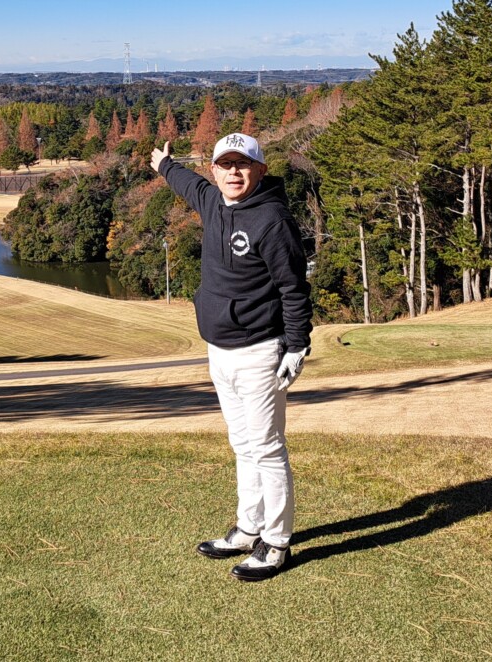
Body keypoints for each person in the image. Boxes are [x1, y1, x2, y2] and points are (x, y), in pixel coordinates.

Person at [150, 133, 312, 581]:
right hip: (218, 350)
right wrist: (163, 164)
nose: (233, 172)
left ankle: (276, 543)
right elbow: (186, 184)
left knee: (267, 449)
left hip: (260, 351)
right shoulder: (213, 200)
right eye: (225, 165)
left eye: (243, 165)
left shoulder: (272, 220)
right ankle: (248, 528)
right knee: (242, 444)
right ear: (215, 170)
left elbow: (294, 288)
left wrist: (297, 345)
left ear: (260, 170)